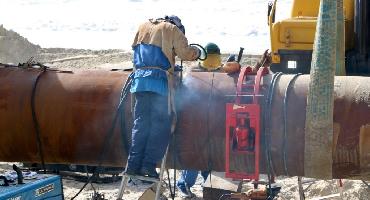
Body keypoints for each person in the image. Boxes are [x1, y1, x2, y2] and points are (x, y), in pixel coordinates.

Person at [125, 15, 201, 178]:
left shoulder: (143, 26)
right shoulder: (172, 29)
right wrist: (197, 52)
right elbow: (186, 53)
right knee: (160, 126)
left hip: (139, 82)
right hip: (159, 83)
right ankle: (148, 165)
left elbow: (136, 50)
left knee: (140, 125)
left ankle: (132, 165)